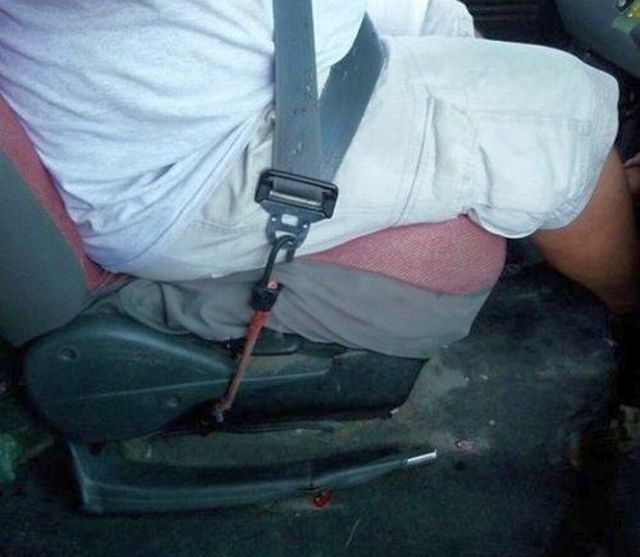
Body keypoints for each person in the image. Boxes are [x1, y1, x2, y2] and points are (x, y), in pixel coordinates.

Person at [0, 2, 637, 345]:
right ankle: (629, 303)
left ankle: (553, 203)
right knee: (566, 118)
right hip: (183, 171)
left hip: (224, 69)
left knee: (439, 18)